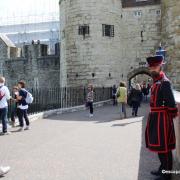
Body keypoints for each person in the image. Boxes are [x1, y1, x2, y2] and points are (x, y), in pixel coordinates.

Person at [145, 55, 178, 180]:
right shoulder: (156, 81)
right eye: (151, 67)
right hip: (155, 118)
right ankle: (162, 169)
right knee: (159, 147)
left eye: (154, 67)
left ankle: (167, 175)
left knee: (165, 149)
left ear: (160, 66)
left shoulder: (165, 82)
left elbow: (171, 103)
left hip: (163, 120)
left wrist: (169, 116)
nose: (152, 69)